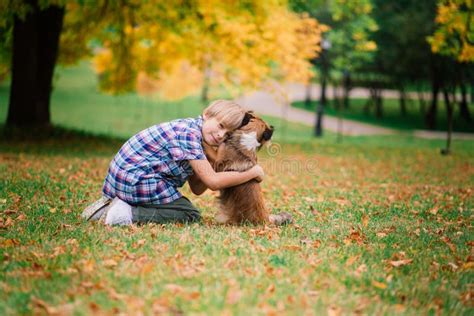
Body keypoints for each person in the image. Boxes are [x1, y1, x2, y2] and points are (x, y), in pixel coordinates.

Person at [81, 100, 264, 226]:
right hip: (137, 180)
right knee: (189, 214)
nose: (220, 135)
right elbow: (213, 182)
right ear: (207, 115)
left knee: (184, 207)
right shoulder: (188, 134)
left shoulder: (196, 135)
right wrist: (252, 172)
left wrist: (214, 159)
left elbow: (197, 189)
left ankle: (113, 205)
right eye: (221, 126)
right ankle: (124, 214)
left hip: (129, 179)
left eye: (227, 134)